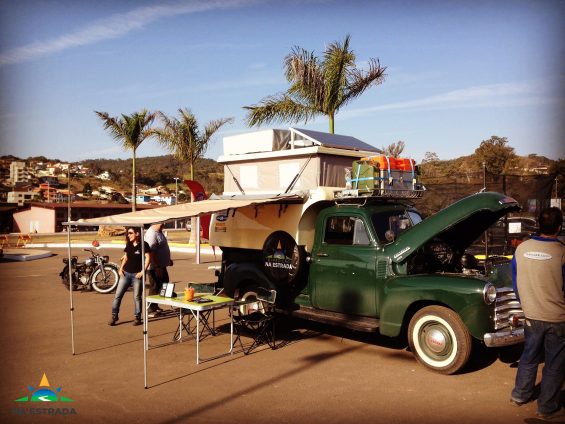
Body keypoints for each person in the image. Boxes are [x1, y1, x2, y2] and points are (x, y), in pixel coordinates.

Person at [510, 207, 565, 421]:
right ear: (559, 227)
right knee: (555, 363)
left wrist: (527, 303)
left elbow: (515, 282)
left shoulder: (521, 249)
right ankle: (547, 409)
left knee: (529, 356)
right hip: (558, 318)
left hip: (531, 314)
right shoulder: (561, 251)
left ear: (538, 225)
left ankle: (519, 395)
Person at [108, 227, 151, 326]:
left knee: (137, 297)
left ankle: (137, 317)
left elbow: (148, 258)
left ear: (137, 234)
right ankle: (114, 316)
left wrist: (142, 272)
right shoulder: (129, 244)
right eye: (128, 233)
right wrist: (120, 269)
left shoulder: (144, 245)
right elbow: (126, 257)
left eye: (131, 233)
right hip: (126, 274)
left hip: (137, 275)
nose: (128, 235)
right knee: (117, 296)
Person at [145, 222, 172, 317]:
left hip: (161, 265)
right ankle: (150, 308)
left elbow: (162, 247)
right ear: (155, 222)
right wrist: (157, 265)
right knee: (154, 286)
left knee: (165, 282)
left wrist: (168, 260)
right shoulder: (151, 234)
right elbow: (151, 252)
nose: (163, 224)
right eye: (162, 223)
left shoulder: (159, 231)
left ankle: (155, 305)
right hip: (155, 267)